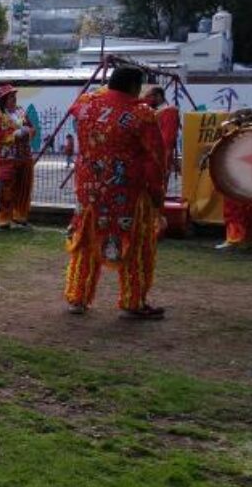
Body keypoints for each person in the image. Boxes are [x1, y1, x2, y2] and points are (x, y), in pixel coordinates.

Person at [64, 65, 168, 320]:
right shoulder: (141, 114)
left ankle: (78, 296)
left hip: (89, 189)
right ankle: (133, 301)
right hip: (127, 193)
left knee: (86, 244)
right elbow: (156, 159)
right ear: (135, 86)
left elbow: (76, 107)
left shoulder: (87, 103)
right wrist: (157, 198)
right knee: (135, 246)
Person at [0, 85, 36, 231]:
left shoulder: (21, 112)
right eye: (11, 97)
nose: (14, 99)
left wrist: (28, 131)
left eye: (14, 96)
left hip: (24, 157)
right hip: (5, 159)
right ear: (3, 100)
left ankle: (20, 217)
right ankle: (4, 220)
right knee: (5, 188)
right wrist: (13, 135)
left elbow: (32, 128)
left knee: (23, 189)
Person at [142, 85, 180, 185]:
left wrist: (165, 158)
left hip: (160, 155)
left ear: (158, 96)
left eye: (149, 96)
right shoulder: (154, 112)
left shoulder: (169, 112)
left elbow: (168, 138)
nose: (146, 100)